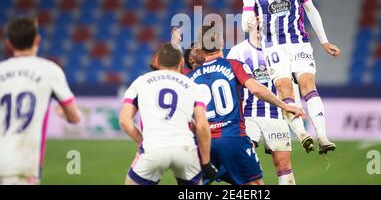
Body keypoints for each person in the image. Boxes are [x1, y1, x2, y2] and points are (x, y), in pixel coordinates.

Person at [241, 0, 341, 154]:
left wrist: (324, 41)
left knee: (307, 84)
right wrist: (250, 24)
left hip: (299, 43)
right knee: (285, 89)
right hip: (273, 47)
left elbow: (311, 9)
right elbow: (245, 21)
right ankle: (302, 134)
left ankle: (322, 136)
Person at [189, 24, 305, 185]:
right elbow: (256, 90)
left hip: (202, 142)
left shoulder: (191, 77)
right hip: (232, 138)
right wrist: (284, 105)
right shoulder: (233, 65)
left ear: (200, 47)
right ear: (222, 43)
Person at [119, 43, 216, 185]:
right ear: (181, 62)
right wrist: (206, 163)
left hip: (153, 148)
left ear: (157, 61)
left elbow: (124, 120)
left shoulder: (141, 82)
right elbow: (202, 126)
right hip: (185, 148)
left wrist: (142, 141)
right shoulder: (192, 85)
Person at [227, 27, 313, 185]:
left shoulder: (283, 50)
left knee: (284, 166)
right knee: (245, 164)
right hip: (247, 115)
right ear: (250, 24)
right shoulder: (237, 51)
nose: (261, 27)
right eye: (257, 20)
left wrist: (298, 124)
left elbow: (290, 86)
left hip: (275, 114)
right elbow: (230, 84)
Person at [0, 16, 80, 185]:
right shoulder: (49, 70)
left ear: (9, 43)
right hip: (23, 164)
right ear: (37, 40)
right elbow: (74, 117)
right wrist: (62, 111)